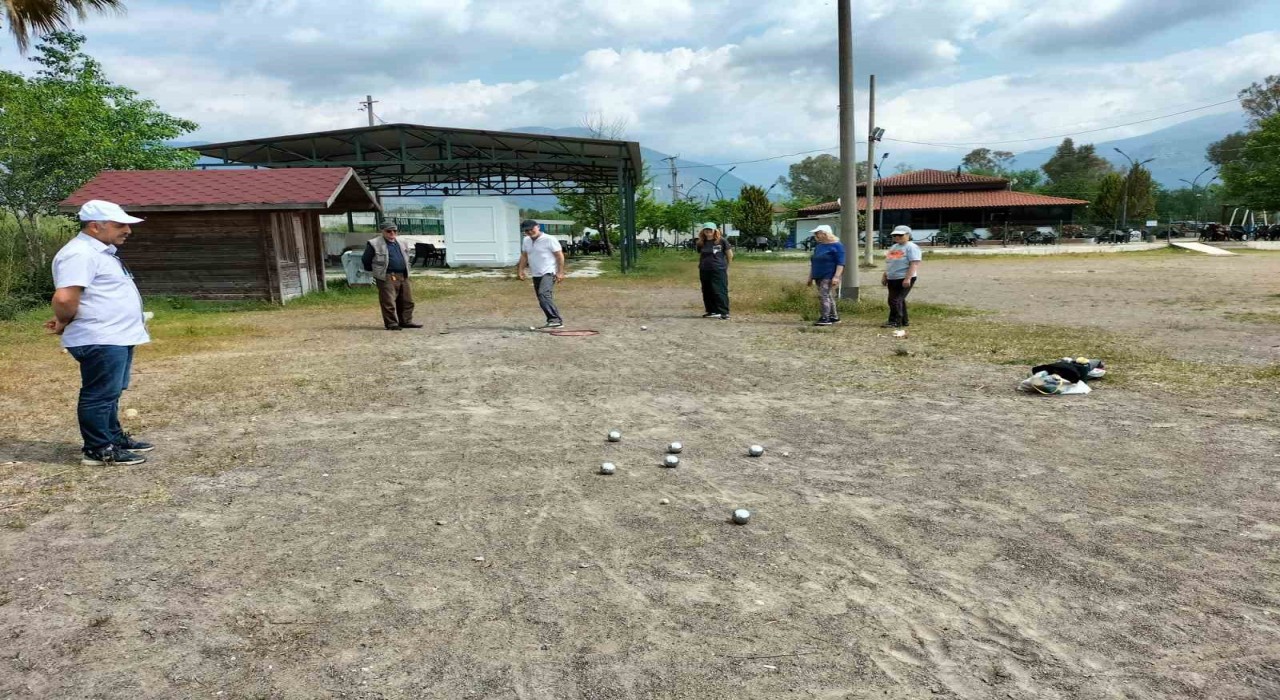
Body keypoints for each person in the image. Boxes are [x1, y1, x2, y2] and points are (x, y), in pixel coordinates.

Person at [47, 200, 154, 467]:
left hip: (115, 335)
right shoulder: (79, 253)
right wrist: (63, 320)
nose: (127, 230)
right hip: (100, 337)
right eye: (120, 225)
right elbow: (64, 297)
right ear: (95, 226)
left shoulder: (100, 252)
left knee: (111, 391)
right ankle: (97, 449)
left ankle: (113, 438)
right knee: (99, 394)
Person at [362, 221, 421, 331]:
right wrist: (375, 272)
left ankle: (406, 321)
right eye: (389, 231)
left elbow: (407, 256)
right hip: (387, 275)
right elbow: (366, 259)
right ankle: (391, 323)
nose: (392, 233)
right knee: (388, 301)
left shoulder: (402, 242)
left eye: (394, 231)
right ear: (382, 231)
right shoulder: (374, 243)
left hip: (403, 274)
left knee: (407, 300)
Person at [516, 219, 565, 328]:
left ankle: (555, 320)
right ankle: (553, 320)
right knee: (542, 297)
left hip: (549, 271)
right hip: (536, 273)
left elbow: (559, 256)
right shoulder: (526, 240)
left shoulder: (549, 239)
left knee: (543, 294)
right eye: (526, 230)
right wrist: (520, 270)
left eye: (531, 229)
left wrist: (560, 272)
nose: (529, 232)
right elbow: (524, 256)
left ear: (537, 227)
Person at [881, 225, 922, 328]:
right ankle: (904, 321)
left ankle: (895, 321)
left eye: (900, 235)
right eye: (895, 235)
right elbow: (890, 263)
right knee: (897, 300)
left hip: (904, 277)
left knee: (895, 300)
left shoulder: (911, 247)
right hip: (892, 278)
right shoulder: (894, 247)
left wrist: (908, 278)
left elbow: (914, 263)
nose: (897, 237)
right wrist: (885, 275)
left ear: (908, 235)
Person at [806, 225, 845, 326]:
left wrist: (836, 276)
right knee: (827, 295)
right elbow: (814, 262)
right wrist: (810, 277)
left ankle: (825, 317)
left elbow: (840, 263)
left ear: (825, 234)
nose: (815, 235)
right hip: (818, 274)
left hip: (829, 275)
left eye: (817, 233)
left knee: (823, 295)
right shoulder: (819, 246)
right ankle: (834, 316)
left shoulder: (837, 246)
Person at [695, 222, 732, 319]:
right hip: (704, 269)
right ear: (703, 231)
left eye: (710, 229)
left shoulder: (722, 241)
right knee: (707, 290)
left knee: (719, 290)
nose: (708, 231)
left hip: (718, 269)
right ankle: (712, 311)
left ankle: (724, 312)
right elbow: (701, 254)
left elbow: (729, 254)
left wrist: (726, 265)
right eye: (706, 229)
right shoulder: (700, 242)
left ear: (715, 230)